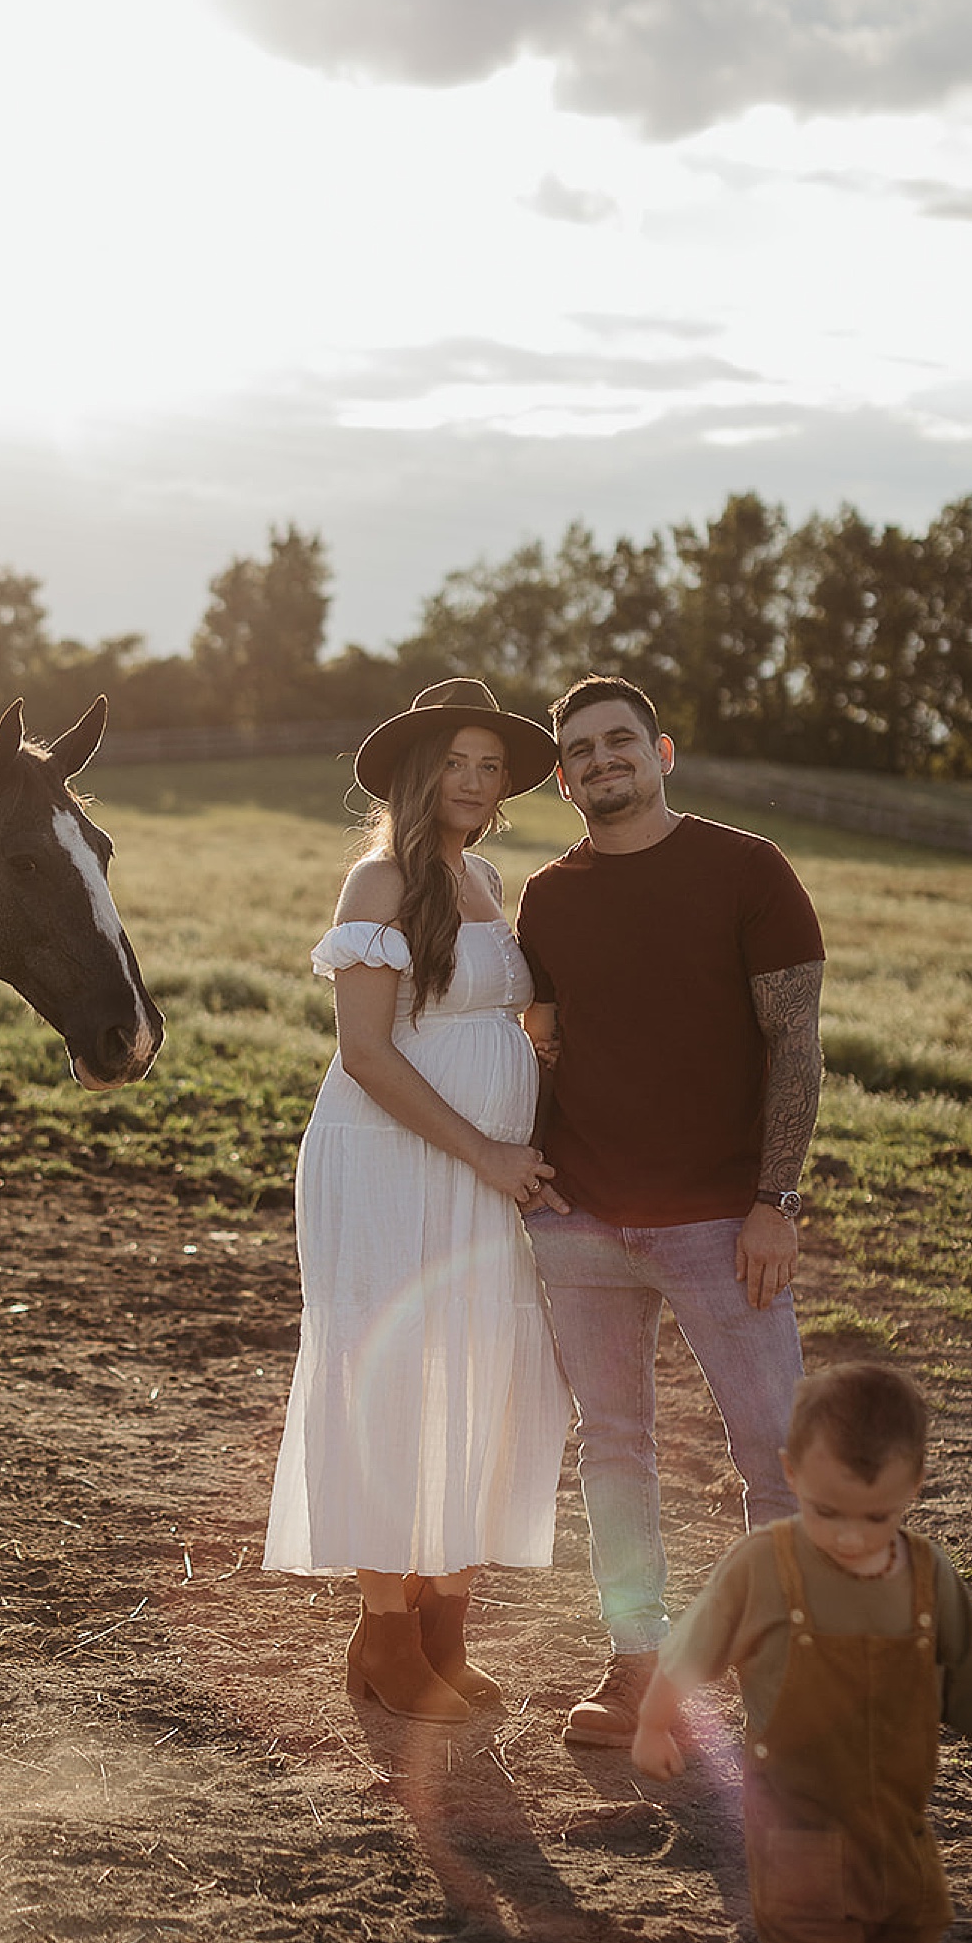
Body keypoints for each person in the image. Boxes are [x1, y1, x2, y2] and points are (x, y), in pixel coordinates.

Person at [516, 674, 825, 1746]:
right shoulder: (547, 898)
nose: (603, 761)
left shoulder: (748, 868)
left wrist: (773, 1202)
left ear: (663, 751)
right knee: (613, 1447)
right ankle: (635, 1663)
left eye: (620, 742)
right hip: (582, 1221)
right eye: (582, 752)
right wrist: (533, 1174)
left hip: (717, 1222)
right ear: (562, 779)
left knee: (771, 1453)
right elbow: (543, 1045)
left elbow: (796, 1042)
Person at [264, 679, 572, 1722]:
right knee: (390, 1370)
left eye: (492, 766)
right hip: (390, 1152)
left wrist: (541, 1051)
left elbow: (497, 1012)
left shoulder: (481, 873)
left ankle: (447, 1625)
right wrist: (486, 1148)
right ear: (417, 771)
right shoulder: (377, 882)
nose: (478, 783)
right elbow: (364, 1053)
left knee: (473, 1369)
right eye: (458, 762)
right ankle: (386, 1632)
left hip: (483, 1164)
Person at [632, 1361, 972, 1943]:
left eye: (877, 1516)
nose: (849, 1536)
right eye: (826, 1511)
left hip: (899, 1827)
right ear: (792, 1472)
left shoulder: (930, 1578)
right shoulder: (763, 1567)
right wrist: (654, 1724)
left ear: (914, 1487)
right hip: (795, 1826)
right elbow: (689, 1651)